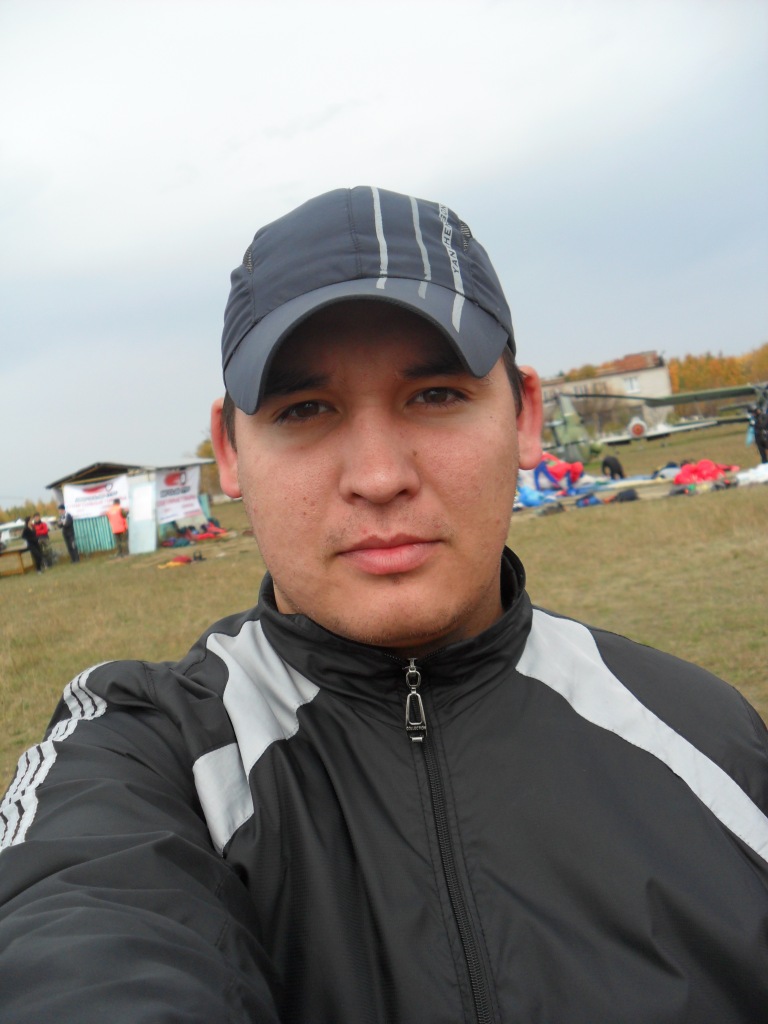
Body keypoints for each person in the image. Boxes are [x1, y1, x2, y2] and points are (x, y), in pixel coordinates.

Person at [1, 187, 767, 1024]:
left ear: (525, 417)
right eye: (305, 409)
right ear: (231, 451)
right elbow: (75, 939)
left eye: (435, 395)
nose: (378, 477)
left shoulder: (709, 739)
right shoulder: (147, 753)